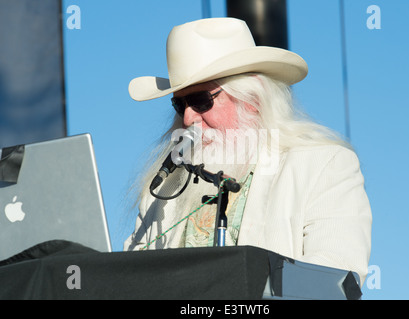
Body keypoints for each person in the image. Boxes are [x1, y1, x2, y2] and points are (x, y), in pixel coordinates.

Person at [124, 17, 372, 284]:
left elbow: (335, 277)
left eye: (200, 100)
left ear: (252, 100)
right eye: (180, 104)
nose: (187, 119)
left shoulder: (324, 166)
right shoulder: (162, 189)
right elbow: (130, 279)